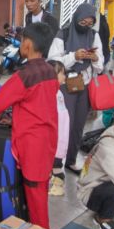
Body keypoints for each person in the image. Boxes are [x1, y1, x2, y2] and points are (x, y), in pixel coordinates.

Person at [0, 23, 59, 229]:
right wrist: (16, 119)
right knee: (35, 192)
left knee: (36, 197)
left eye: (22, 40)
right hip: (47, 138)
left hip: (32, 143)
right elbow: (38, 105)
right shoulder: (50, 70)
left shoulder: (24, 76)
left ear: (28, 45)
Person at [48, 3, 104, 174]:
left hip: (85, 86)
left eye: (89, 23)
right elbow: (52, 61)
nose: (85, 26)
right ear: (76, 18)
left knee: (79, 125)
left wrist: (94, 58)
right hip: (66, 86)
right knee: (64, 124)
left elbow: (101, 64)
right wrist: (74, 56)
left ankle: (71, 160)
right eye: (83, 23)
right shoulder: (63, 34)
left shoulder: (94, 36)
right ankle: (56, 162)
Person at [47, 60, 70, 197]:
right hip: (58, 137)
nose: (64, 76)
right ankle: (55, 182)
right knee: (55, 162)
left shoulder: (56, 93)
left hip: (58, 137)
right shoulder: (56, 92)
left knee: (56, 164)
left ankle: (58, 186)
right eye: (62, 73)